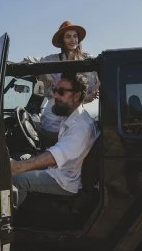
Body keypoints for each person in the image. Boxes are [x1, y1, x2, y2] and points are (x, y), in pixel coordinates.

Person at [11, 73, 100, 207]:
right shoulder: (71, 116)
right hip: (62, 170)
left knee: (19, 180)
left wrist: (19, 167)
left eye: (61, 91)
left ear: (76, 96)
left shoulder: (81, 127)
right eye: (55, 90)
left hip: (65, 181)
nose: (55, 95)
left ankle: (7, 224)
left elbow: (56, 156)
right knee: (25, 160)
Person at [23, 20, 100, 142]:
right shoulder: (52, 60)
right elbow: (27, 61)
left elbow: (99, 76)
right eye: (68, 36)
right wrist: (44, 74)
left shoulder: (86, 62)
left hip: (75, 118)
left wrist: (95, 89)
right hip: (52, 120)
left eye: (75, 36)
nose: (72, 40)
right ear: (62, 40)